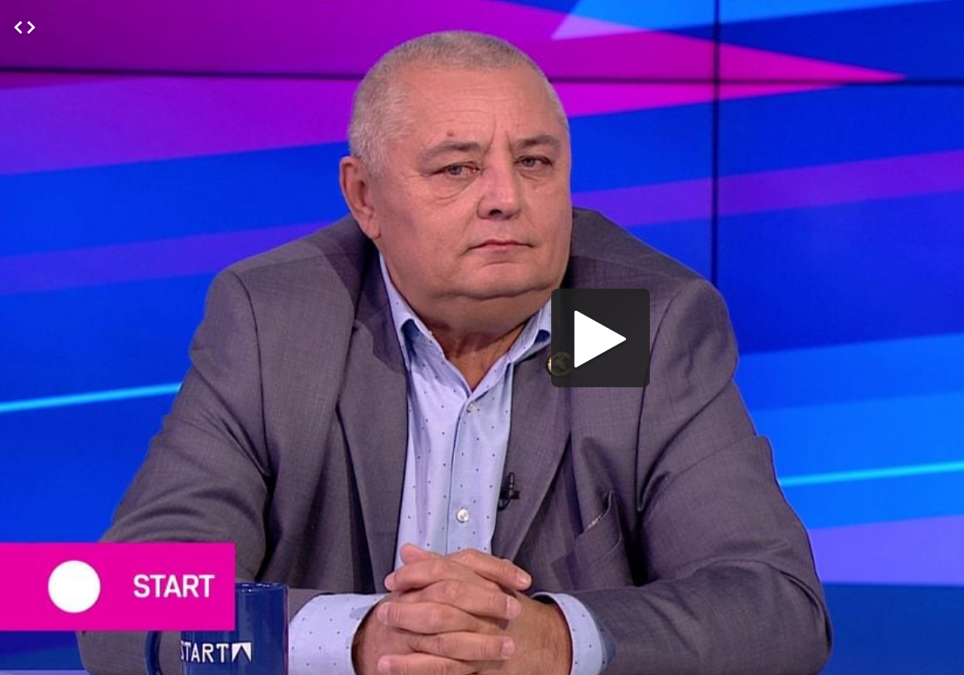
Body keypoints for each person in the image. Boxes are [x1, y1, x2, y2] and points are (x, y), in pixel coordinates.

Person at [78, 31, 831, 675]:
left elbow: (777, 606)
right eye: (457, 168)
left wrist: (554, 639)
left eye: (534, 162)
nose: (506, 197)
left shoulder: (624, 316)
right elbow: (114, 597)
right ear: (365, 198)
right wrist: (360, 639)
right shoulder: (279, 318)